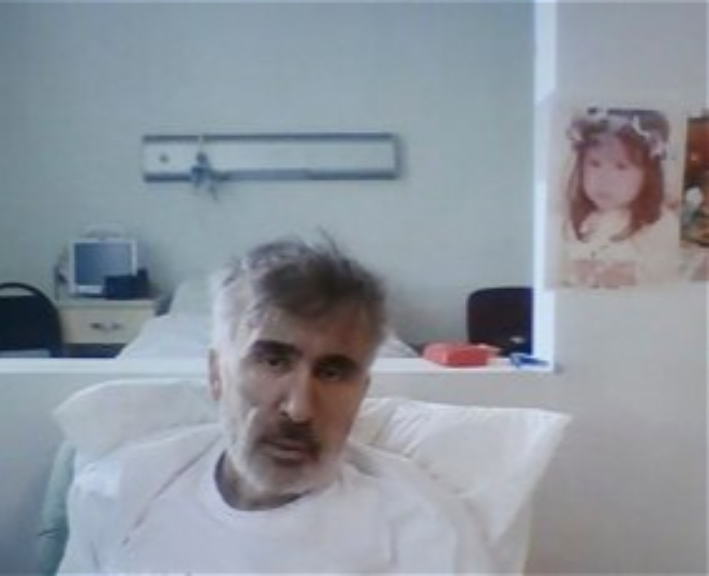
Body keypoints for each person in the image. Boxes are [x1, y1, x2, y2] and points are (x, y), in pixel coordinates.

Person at [58, 237, 492, 573]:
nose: (299, 409)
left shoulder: (426, 532)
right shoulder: (120, 495)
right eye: (273, 360)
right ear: (216, 374)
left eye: (333, 371)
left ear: (361, 393)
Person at [560, 107, 680, 288]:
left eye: (621, 167)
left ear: (648, 175)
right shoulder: (578, 220)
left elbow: (662, 280)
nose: (604, 179)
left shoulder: (660, 224)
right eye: (594, 164)